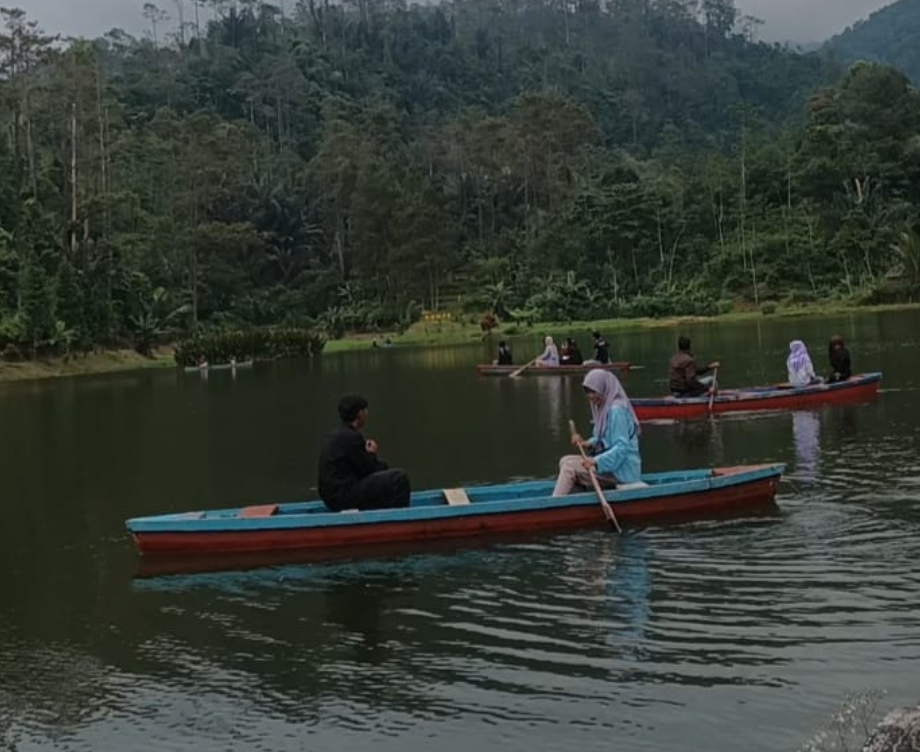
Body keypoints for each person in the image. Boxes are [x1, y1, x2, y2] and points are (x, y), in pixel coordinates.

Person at [554, 369, 642, 496]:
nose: (590, 396)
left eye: (594, 391)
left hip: (621, 471)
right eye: (588, 392)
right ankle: (575, 498)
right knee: (565, 460)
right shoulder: (604, 408)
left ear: (604, 388)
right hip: (610, 466)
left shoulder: (616, 411)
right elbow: (602, 438)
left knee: (569, 468)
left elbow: (621, 448)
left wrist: (596, 461)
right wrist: (586, 443)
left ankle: (556, 504)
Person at [317, 394, 411, 512]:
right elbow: (369, 469)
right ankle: (398, 520)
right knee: (399, 478)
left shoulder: (334, 435)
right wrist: (372, 454)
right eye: (366, 410)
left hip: (331, 497)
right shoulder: (352, 437)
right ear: (360, 414)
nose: (367, 414)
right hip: (343, 497)